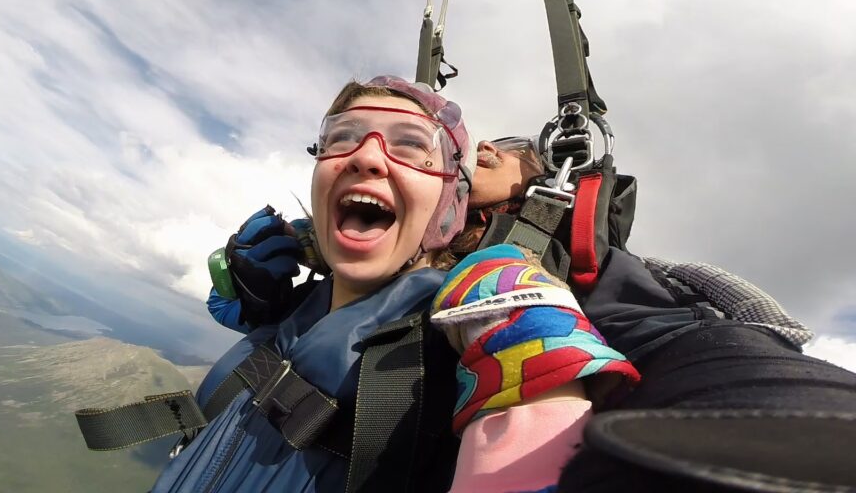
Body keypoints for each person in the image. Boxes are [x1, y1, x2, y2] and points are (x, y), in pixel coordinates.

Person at [207, 132, 856, 491]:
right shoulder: (386, 240)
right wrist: (253, 290)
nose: (480, 149)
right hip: (210, 463)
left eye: (499, 154)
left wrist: (785, 417)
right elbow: (299, 331)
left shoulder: (538, 275)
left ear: (540, 188)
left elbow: (660, 335)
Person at [154, 76, 638, 493]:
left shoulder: (476, 304)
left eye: (410, 143)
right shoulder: (296, 303)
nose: (366, 157)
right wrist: (248, 290)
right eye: (342, 137)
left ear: (451, 203)